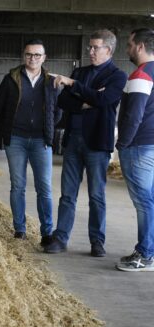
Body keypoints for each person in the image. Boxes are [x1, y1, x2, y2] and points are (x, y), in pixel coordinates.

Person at [43, 29, 127, 256]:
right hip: (73, 140)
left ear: (108, 50)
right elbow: (64, 101)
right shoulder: (80, 71)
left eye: (95, 47)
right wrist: (86, 100)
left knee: (96, 195)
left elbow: (105, 99)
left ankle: (97, 241)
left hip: (97, 142)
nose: (90, 51)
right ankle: (60, 238)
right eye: (89, 47)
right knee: (67, 194)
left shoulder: (117, 76)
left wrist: (74, 85)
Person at [0, 39, 62, 245]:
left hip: (41, 140)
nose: (33, 58)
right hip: (16, 139)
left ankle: (47, 233)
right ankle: (20, 229)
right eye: (29, 54)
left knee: (44, 187)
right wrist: (11, 126)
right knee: (18, 185)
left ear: (44, 58)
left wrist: (46, 128)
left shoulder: (52, 82)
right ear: (24, 56)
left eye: (37, 55)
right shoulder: (11, 79)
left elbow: (58, 111)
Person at [116, 28, 154, 271]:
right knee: (149, 200)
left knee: (143, 202)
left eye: (130, 45)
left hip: (139, 146)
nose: (127, 49)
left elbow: (133, 115)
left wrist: (122, 143)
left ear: (140, 47)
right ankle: (148, 250)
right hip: (150, 145)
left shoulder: (141, 75)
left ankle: (145, 254)